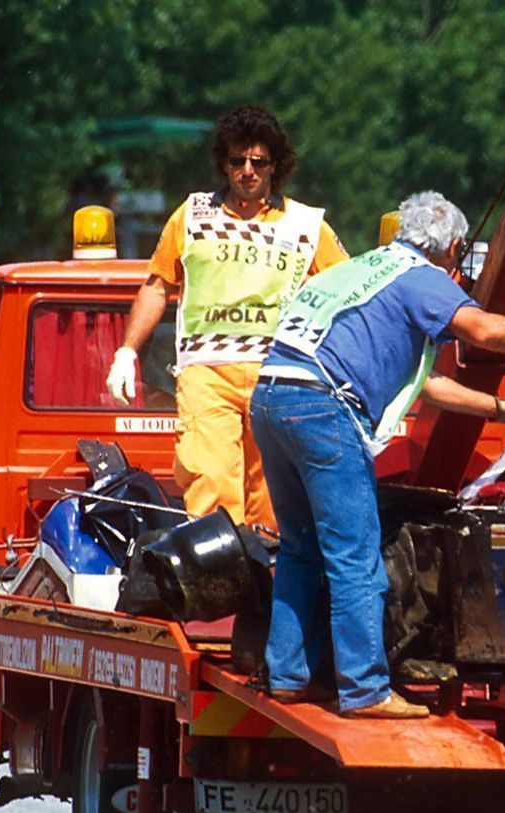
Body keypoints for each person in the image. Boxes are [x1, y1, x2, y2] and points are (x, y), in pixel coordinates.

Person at [248, 191, 505, 718]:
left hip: (273, 398)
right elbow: (484, 329)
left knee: (303, 548)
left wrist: (499, 408)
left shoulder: (360, 269)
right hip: (322, 408)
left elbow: (425, 382)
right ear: (456, 247)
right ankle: (366, 690)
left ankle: (289, 674)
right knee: (355, 554)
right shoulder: (422, 278)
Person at [105, 105, 348, 530]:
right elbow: (157, 285)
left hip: (279, 375)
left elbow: (348, 290)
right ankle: (217, 590)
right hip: (206, 374)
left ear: (276, 166)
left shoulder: (308, 225)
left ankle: (273, 587)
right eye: (238, 161)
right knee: (212, 483)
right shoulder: (193, 214)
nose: (248, 171)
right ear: (224, 163)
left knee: (274, 500)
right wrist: (126, 352)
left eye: (259, 161)